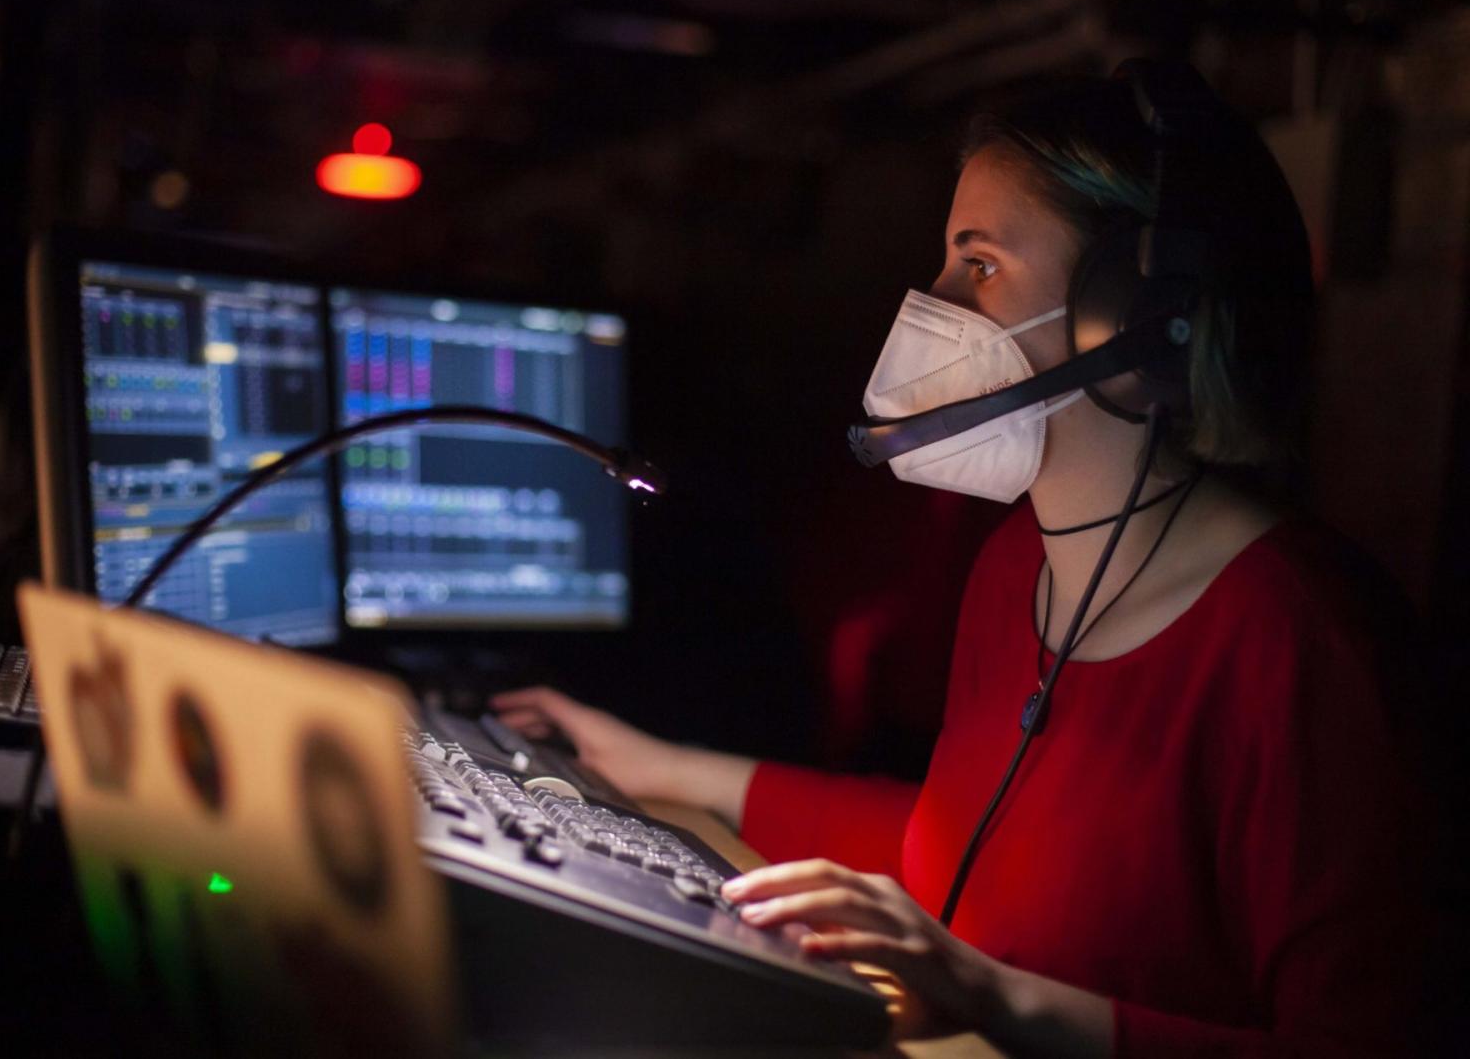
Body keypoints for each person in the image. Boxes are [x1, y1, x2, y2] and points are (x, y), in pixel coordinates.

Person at [492, 63, 1426, 1056]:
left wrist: (997, 996)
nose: (927, 307)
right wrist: (662, 766)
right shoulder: (1015, 564)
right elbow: (961, 842)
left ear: (1141, 315)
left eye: (976, 266)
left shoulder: (1303, 639)